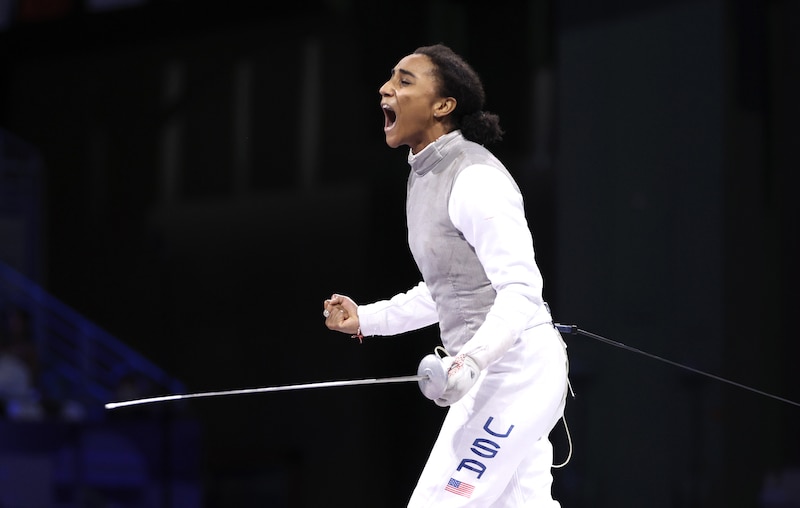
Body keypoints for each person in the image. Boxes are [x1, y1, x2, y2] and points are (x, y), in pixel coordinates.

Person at [323, 44, 569, 507]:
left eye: (404, 80)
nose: (386, 88)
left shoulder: (475, 178)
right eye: (390, 78)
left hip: (513, 373)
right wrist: (366, 319)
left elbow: (521, 290)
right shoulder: (424, 178)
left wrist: (470, 361)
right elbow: (446, 292)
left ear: (443, 105)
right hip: (488, 374)